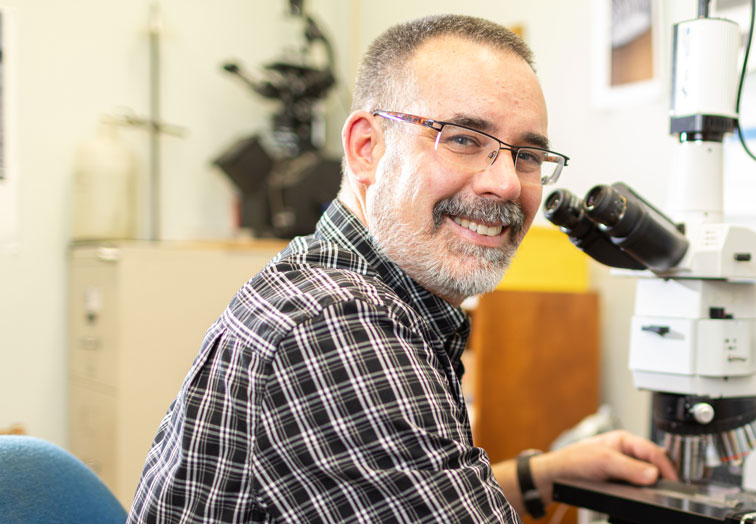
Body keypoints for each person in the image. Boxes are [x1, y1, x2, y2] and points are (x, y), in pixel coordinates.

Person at [128, 13, 677, 523]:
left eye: (527, 156)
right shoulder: (336, 326)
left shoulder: (356, 290)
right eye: (463, 139)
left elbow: (409, 492)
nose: (506, 183)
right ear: (367, 147)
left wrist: (542, 475)